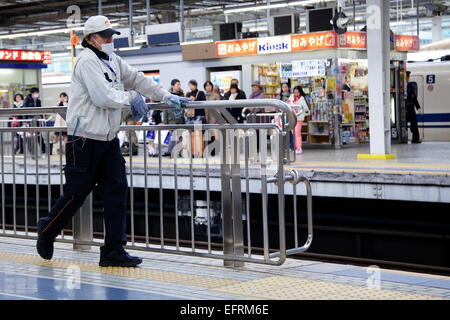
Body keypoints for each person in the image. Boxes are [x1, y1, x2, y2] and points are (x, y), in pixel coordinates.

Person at [36, 15, 186, 267]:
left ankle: (113, 250)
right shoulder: (85, 61)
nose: (110, 39)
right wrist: (133, 99)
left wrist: (165, 94)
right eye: (105, 35)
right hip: (83, 140)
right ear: (91, 39)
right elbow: (102, 96)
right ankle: (47, 229)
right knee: (75, 194)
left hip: (108, 140)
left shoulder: (113, 60)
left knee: (117, 191)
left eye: (111, 35)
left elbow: (138, 78)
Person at [162, 79, 186, 155]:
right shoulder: (168, 96)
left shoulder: (181, 95)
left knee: (180, 137)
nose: (179, 86)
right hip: (171, 120)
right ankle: (173, 151)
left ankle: (177, 152)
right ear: (172, 86)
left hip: (180, 119)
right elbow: (165, 110)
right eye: (177, 85)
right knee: (174, 136)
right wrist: (165, 122)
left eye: (180, 85)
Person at [23, 87, 46, 154]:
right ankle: (31, 150)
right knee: (30, 136)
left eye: (37, 92)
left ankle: (43, 149)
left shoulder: (38, 100)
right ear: (32, 93)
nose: (37, 94)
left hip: (37, 120)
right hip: (29, 120)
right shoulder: (27, 100)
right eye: (36, 92)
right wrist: (24, 120)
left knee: (39, 134)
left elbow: (40, 109)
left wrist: (41, 116)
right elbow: (24, 110)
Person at [287, 86, 310, 154]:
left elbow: (305, 108)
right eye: (294, 92)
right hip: (291, 117)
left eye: (297, 92)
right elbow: (287, 104)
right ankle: (295, 147)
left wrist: (298, 106)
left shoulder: (302, 98)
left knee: (297, 133)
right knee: (293, 133)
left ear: (300, 92)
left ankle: (299, 148)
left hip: (299, 118)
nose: (296, 93)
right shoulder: (291, 97)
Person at [406, 71, 422, 143]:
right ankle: (403, 138)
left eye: (408, 77)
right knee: (403, 123)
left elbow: (414, 98)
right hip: (403, 109)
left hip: (411, 107)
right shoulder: (400, 86)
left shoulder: (410, 86)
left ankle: (415, 139)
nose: (408, 78)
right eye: (407, 77)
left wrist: (418, 108)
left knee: (414, 123)